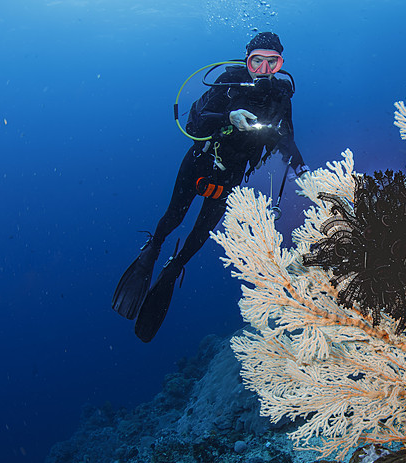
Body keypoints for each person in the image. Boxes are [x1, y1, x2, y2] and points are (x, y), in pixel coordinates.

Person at [112, 32, 308, 342]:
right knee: (173, 218)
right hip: (201, 163)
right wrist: (227, 117)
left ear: (281, 64)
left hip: (231, 177)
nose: (264, 69)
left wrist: (302, 169)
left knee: (200, 235)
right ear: (247, 60)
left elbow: (287, 139)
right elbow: (194, 123)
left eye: (273, 62)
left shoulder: (281, 94)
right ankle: (152, 249)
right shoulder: (227, 82)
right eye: (257, 61)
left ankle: (172, 271)